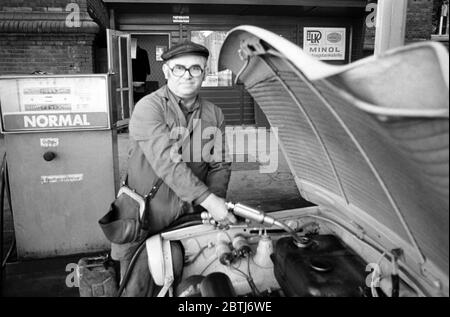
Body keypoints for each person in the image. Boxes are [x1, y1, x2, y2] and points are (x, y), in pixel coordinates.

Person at [111, 40, 237, 296]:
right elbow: (167, 161)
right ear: (167, 72)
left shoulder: (215, 114)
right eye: (179, 68)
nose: (187, 76)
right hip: (144, 217)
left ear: (204, 72)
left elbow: (220, 164)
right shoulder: (148, 107)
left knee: (188, 284)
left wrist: (213, 203)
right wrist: (210, 201)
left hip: (190, 217)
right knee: (137, 289)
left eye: (196, 69)